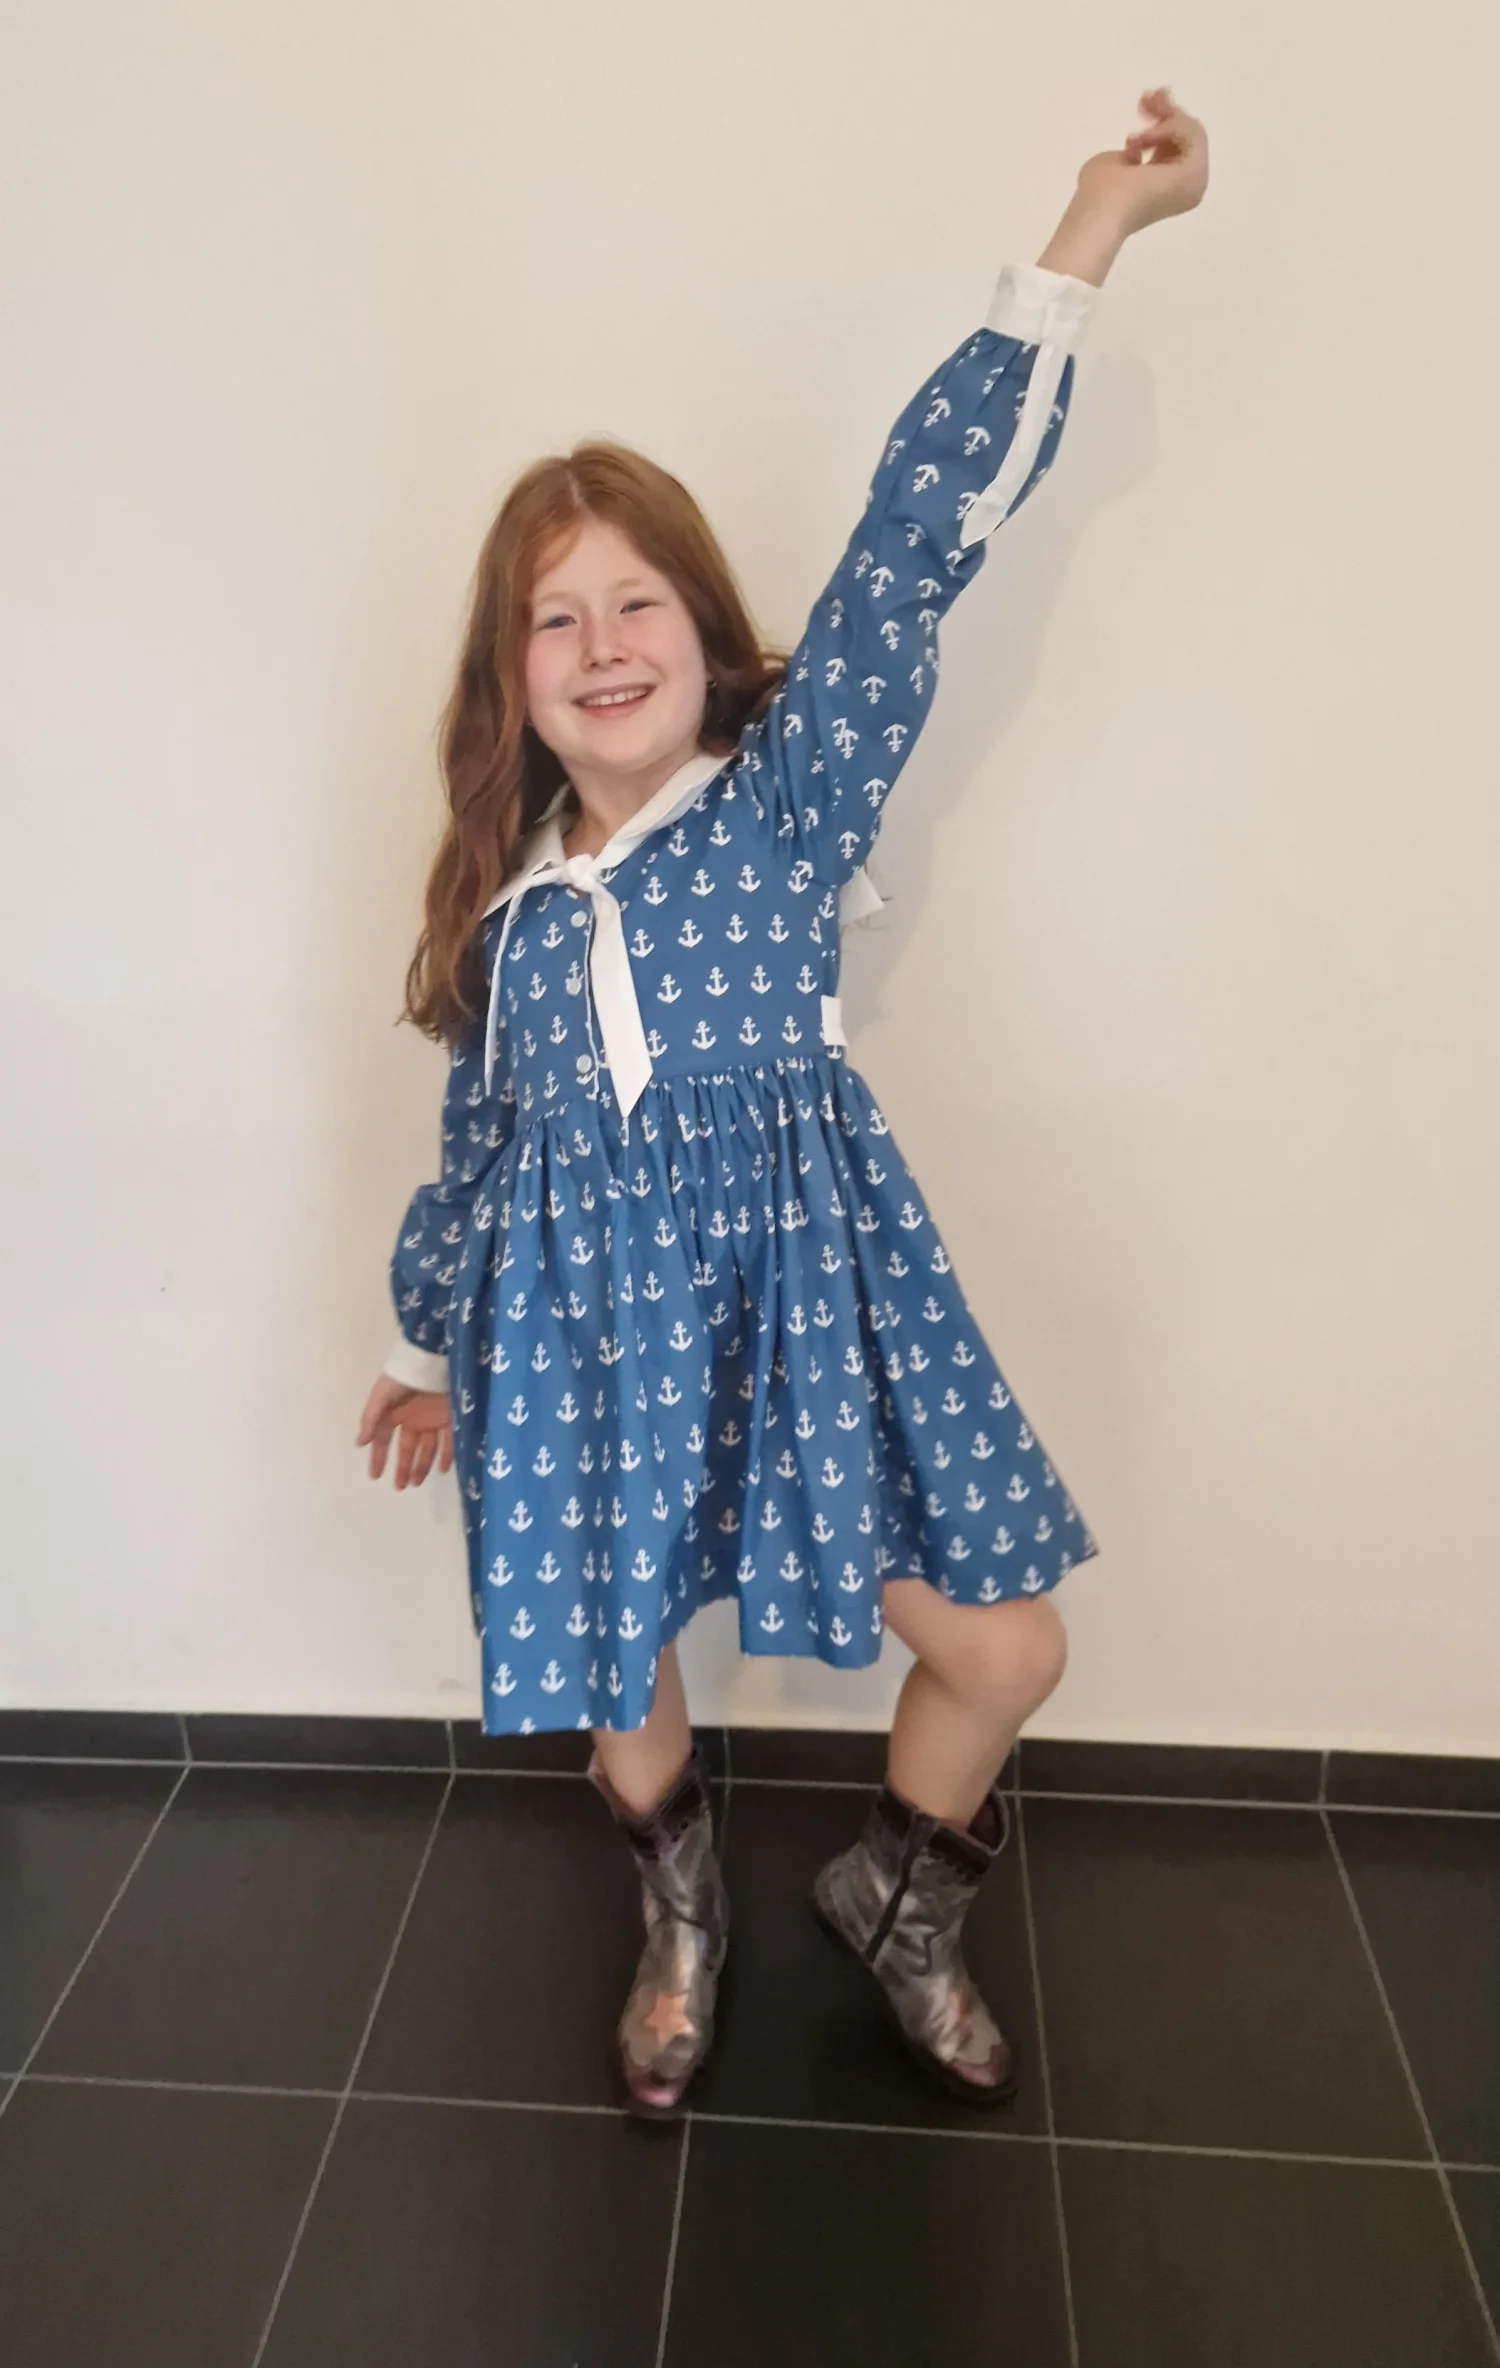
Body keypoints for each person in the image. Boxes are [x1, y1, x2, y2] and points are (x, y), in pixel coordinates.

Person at [358, 88, 1210, 2119]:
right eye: (553, 617)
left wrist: (1090, 228)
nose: (600, 642)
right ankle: (680, 1913)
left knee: (1003, 1643)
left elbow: (920, 539)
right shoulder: (505, 908)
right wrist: (425, 1345)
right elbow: (476, 1151)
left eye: (634, 598)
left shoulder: (787, 802)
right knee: (615, 1651)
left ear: (703, 624)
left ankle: (894, 1898)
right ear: (511, 677)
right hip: (577, 1341)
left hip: (813, 1308)